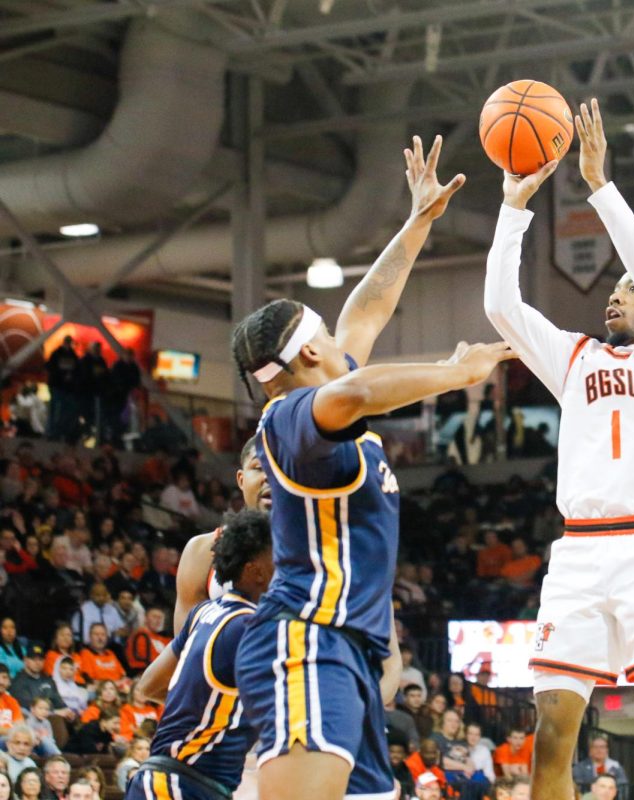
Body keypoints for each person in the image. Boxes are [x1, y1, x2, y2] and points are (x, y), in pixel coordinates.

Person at [231, 134, 511, 800]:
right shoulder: (293, 417)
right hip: (307, 639)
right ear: (304, 357)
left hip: (348, 650)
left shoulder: (316, 389)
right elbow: (354, 391)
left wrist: (417, 225)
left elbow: (369, 309)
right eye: (320, 328)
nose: (337, 331)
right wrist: (455, 371)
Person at [484, 99, 634, 800]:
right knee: (550, 735)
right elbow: (500, 306)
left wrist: (598, 183)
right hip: (579, 552)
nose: (614, 297)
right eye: (611, 290)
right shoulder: (577, 357)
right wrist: (514, 208)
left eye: (629, 290)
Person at [124, 509, 274, 800]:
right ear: (255, 569)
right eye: (278, 555)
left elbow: (149, 685)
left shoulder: (203, 612)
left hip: (163, 779)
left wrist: (207, 712)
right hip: (184, 784)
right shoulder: (250, 626)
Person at [173, 438, 272, 632]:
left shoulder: (319, 546)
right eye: (259, 467)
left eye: (280, 467)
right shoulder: (201, 550)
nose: (269, 476)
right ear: (241, 480)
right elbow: (185, 646)